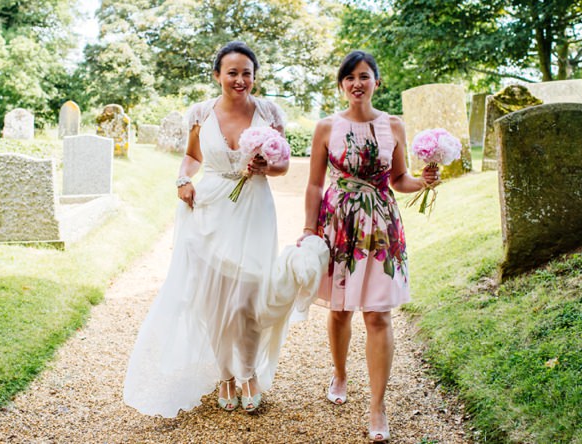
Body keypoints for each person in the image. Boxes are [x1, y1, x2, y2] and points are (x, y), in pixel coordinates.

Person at [123, 41, 327, 418]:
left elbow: (282, 165)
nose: (240, 79)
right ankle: (225, 376)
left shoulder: (269, 112)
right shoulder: (200, 113)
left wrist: (265, 166)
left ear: (254, 76)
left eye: (246, 73)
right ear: (217, 75)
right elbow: (192, 157)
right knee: (214, 297)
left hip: (254, 208)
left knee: (247, 294)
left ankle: (248, 373)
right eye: (232, 72)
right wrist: (182, 179)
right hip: (210, 208)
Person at [300, 51, 440, 443]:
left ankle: (377, 405)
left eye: (364, 76)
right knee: (342, 311)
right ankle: (340, 372)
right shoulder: (326, 127)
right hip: (338, 223)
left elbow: (400, 179)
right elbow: (313, 183)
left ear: (377, 81)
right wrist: (310, 228)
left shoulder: (393, 125)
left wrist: (424, 181)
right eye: (349, 78)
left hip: (381, 225)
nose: (356, 83)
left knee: (378, 316)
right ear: (342, 85)